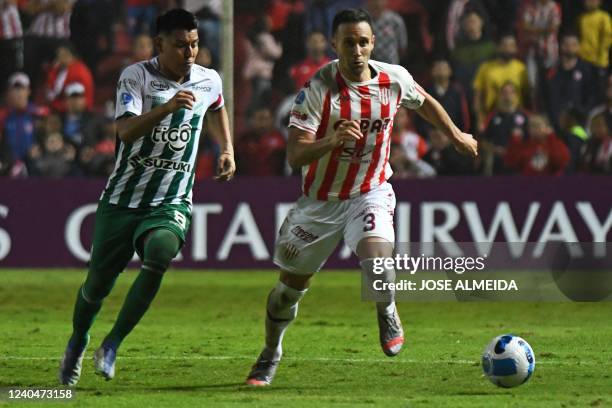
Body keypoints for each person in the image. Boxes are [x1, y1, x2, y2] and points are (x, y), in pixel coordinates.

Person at [245, 8, 477, 386]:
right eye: (349, 42)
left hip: (370, 191)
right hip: (320, 202)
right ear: (335, 45)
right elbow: (295, 155)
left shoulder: (393, 78)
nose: (357, 50)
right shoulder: (317, 89)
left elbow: (426, 101)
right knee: (286, 293)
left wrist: (455, 135)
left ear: (373, 44)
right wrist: (331, 140)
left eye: (364, 42)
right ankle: (270, 353)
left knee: (377, 261)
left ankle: (387, 310)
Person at [58, 9, 235, 386]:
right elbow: (124, 131)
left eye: (194, 44)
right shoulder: (136, 76)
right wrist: (167, 108)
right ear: (159, 45)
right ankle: (78, 340)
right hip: (123, 199)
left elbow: (218, 107)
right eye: (180, 45)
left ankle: (112, 344)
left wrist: (227, 149)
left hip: (171, 199)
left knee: (159, 253)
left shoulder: (208, 79)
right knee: (96, 287)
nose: (189, 53)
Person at [473, 34, 529, 133]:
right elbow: (478, 97)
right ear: (498, 47)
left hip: (516, 115)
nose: (508, 49)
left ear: (516, 48)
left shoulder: (521, 68)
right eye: (505, 45)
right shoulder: (485, 68)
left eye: (511, 45)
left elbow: (526, 94)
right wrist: (480, 119)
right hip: (490, 114)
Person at [504, 113, 569, 175]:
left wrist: (551, 138)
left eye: (537, 125)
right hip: (528, 184)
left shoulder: (556, 143)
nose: (534, 128)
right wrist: (515, 141)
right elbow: (510, 162)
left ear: (547, 127)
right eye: (531, 125)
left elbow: (561, 163)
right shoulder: (524, 145)